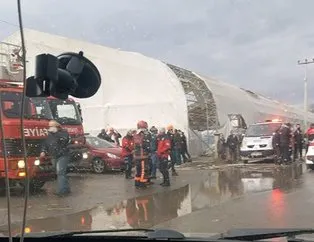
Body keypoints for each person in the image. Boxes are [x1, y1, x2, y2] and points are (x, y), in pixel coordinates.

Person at [40, 120, 71, 196]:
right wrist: (43, 151)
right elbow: (45, 144)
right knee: (60, 172)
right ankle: (66, 188)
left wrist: (56, 133)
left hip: (63, 155)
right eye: (49, 126)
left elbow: (64, 140)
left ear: (56, 126)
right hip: (54, 156)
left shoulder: (63, 133)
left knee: (60, 172)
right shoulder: (48, 135)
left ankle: (62, 191)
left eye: (51, 126)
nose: (50, 128)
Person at [133, 120, 152, 189]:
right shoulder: (144, 134)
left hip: (137, 156)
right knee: (144, 170)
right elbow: (146, 145)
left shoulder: (135, 134)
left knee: (138, 170)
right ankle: (142, 184)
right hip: (143, 156)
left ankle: (137, 183)